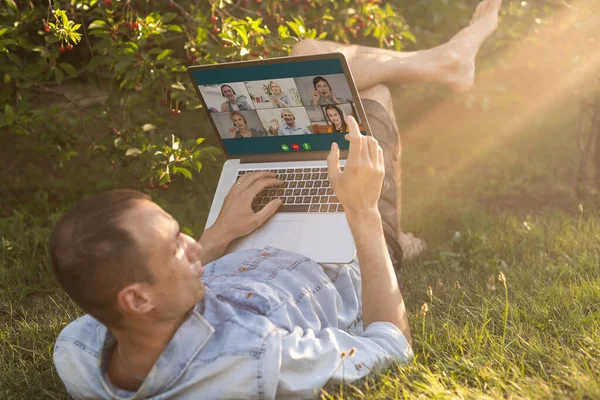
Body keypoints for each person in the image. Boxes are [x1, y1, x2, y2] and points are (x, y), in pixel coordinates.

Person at [51, 0, 502, 397]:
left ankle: (445, 62)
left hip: (250, 249)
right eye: (175, 247)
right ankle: (396, 233)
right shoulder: (256, 358)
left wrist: (223, 232)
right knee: (373, 94)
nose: (193, 244)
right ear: (138, 300)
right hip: (340, 262)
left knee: (308, 58)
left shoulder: (78, 348)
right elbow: (391, 347)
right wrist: (361, 211)